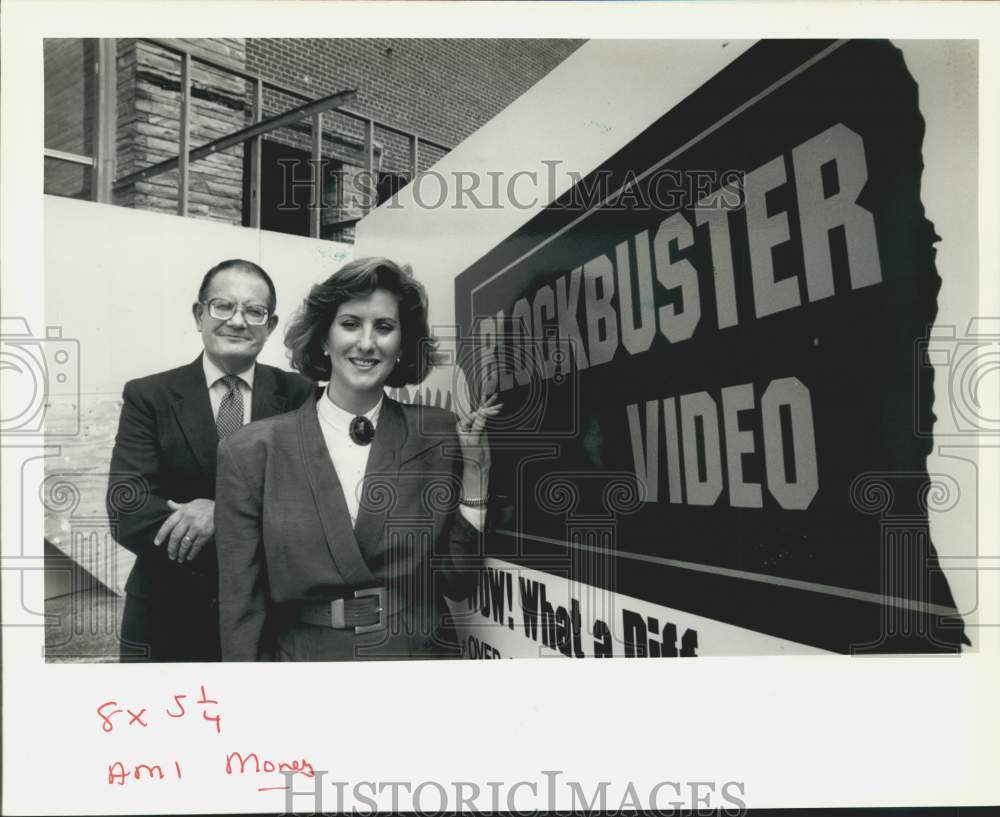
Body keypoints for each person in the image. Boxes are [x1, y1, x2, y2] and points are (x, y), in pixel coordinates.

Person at [215, 257, 499, 661]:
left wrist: (476, 476)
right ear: (324, 339)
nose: (367, 343)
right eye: (350, 324)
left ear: (402, 344)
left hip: (418, 663)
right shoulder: (249, 451)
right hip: (306, 668)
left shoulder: (438, 434)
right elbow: (241, 608)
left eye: (384, 327)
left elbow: (457, 580)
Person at [106, 259, 314, 662]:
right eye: (222, 306)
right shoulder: (150, 396)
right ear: (199, 314)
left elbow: (311, 509)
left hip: (272, 621)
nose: (237, 321)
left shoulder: (299, 396)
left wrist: (223, 516)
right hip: (167, 618)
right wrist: (256, 525)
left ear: (270, 327)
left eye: (254, 311)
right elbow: (128, 509)